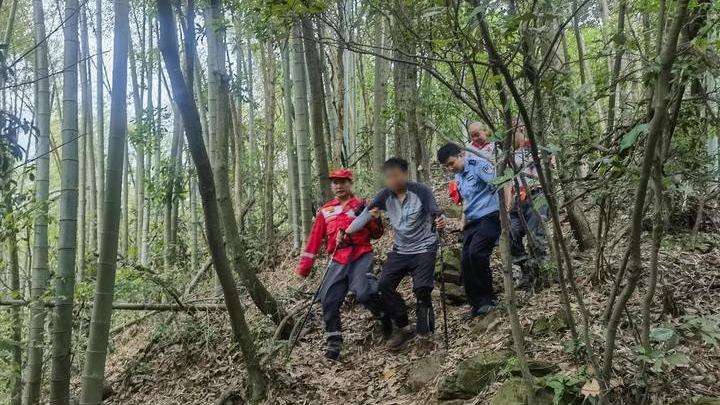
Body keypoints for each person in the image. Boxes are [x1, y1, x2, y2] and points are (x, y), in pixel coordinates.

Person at [342, 158, 445, 351]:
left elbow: (435, 213)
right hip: (401, 249)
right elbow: (364, 215)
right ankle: (404, 326)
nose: (393, 180)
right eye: (389, 177)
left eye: (397, 175)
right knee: (384, 285)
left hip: (424, 247)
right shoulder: (384, 196)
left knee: (422, 288)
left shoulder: (421, 191)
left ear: (405, 174)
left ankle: (425, 333)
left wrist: (439, 221)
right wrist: (347, 232)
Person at [295, 168, 391, 360]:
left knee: (365, 292)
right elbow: (314, 240)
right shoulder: (325, 210)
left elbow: (377, 234)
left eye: (342, 182)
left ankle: (385, 319)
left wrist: (374, 217)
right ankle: (334, 342)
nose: (338, 186)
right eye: (335, 183)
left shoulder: (362, 205)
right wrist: (304, 267)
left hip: (360, 255)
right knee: (328, 298)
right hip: (337, 259)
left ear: (350, 183)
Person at [437, 143, 500, 317]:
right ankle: (475, 304)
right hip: (473, 220)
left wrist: (507, 208)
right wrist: (463, 220)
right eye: (446, 166)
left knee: (477, 253)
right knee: (465, 261)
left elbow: (501, 183)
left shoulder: (479, 166)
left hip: (490, 216)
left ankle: (487, 300)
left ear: (461, 154)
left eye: (451, 163)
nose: (450, 168)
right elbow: (467, 199)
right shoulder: (459, 177)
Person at [509, 122, 549, 290]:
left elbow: (547, 166)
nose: (511, 138)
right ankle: (526, 270)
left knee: (535, 236)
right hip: (517, 199)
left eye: (513, 133)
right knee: (512, 235)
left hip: (536, 194)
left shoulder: (533, 148)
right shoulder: (506, 155)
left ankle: (540, 273)